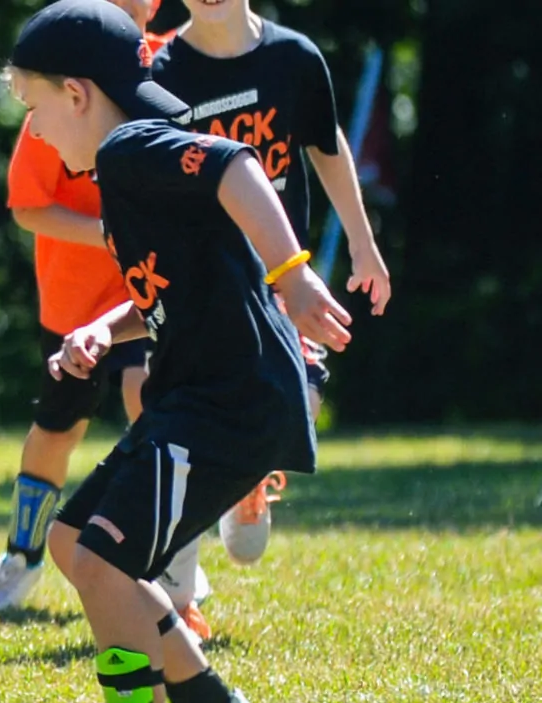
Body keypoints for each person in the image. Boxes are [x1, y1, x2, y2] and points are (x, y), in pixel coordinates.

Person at [6, 0, 354, 703]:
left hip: (229, 402)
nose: (33, 130)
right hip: (193, 398)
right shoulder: (127, 163)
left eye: (32, 109)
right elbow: (172, 283)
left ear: (75, 94)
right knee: (72, 541)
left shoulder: (130, 150)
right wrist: (104, 328)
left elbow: (236, 164)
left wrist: (291, 272)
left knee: (103, 563)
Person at [0, 0, 216, 639]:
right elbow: (29, 207)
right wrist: (113, 233)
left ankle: (170, 556)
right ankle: (21, 555)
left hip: (147, 299)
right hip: (77, 306)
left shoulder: (164, 70)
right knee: (57, 428)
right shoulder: (61, 85)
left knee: (148, 392)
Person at [152, 0, 393, 565]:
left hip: (282, 280)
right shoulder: (161, 76)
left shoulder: (294, 58)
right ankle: (178, 586)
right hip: (203, 285)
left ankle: (252, 475)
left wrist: (362, 241)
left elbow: (326, 147)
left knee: (302, 395)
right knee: (192, 427)